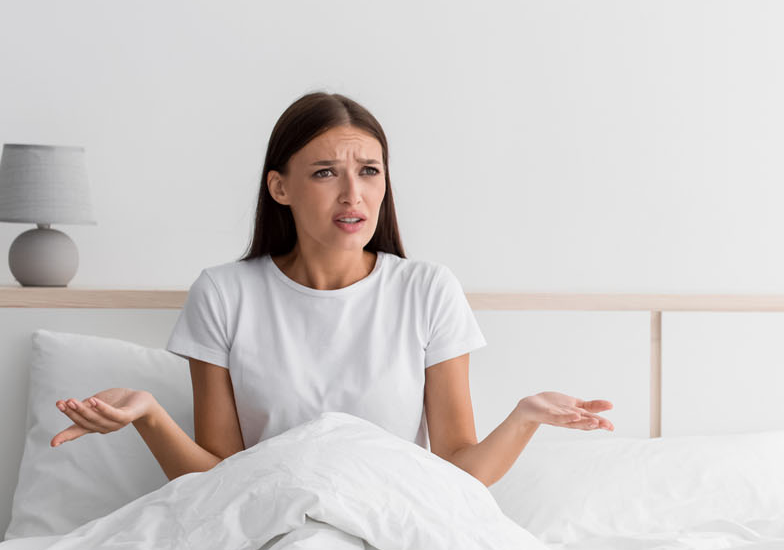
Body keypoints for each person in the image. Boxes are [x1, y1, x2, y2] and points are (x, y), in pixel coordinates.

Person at [49, 92, 613, 485]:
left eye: (369, 171)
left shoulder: (427, 289)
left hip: (395, 531)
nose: (353, 195)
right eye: (325, 173)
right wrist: (149, 415)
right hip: (271, 534)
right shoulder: (224, 294)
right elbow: (219, 481)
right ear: (280, 187)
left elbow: (456, 473)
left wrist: (523, 418)